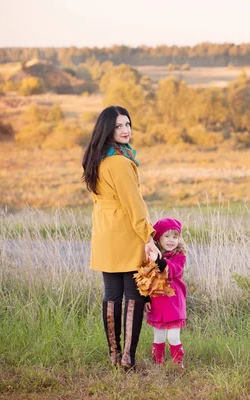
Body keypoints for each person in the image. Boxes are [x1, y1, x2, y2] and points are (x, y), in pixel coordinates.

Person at [82, 105, 161, 371]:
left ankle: (114, 355)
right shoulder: (121, 162)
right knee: (134, 294)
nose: (125, 130)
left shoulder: (96, 159)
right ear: (108, 129)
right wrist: (149, 237)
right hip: (126, 233)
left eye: (127, 124)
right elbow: (134, 205)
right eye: (119, 126)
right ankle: (127, 356)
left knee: (112, 295)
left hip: (104, 234)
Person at [146, 218, 188, 369]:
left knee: (173, 335)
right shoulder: (150, 257)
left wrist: (160, 261)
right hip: (157, 302)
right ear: (158, 238)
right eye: (167, 236)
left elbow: (175, 271)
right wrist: (145, 299)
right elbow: (145, 280)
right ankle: (159, 364)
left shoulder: (179, 256)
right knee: (158, 335)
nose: (171, 240)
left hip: (174, 302)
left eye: (175, 237)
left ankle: (177, 364)